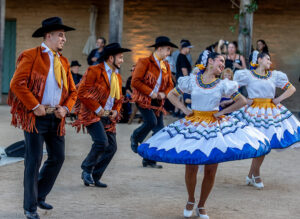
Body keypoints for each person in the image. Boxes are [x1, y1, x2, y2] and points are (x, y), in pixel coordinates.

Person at [137, 50, 271, 218]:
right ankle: (191, 199)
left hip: (214, 127)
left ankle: (201, 205)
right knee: (191, 165)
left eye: (224, 62)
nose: (223, 65)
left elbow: (242, 101)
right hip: (193, 124)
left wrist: (223, 112)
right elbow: (172, 95)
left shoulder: (223, 84)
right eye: (220, 61)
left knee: (211, 168)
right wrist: (185, 109)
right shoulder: (192, 81)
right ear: (210, 62)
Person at [8, 17, 77, 219]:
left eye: (64, 35)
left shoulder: (63, 61)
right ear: (49, 36)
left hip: (57, 117)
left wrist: (66, 108)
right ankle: (30, 207)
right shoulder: (30, 56)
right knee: (34, 160)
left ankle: (39, 195)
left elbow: (73, 91)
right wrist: (35, 106)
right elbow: (17, 83)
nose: (64, 39)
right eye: (61, 35)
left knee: (58, 157)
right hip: (35, 117)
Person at [233, 52, 300, 189]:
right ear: (259, 59)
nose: (270, 61)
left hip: (270, 112)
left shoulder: (274, 76)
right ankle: (255, 174)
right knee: (259, 143)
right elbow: (232, 88)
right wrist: (245, 100)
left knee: (265, 142)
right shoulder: (248, 75)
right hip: (253, 112)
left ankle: (252, 174)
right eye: (267, 59)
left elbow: (291, 88)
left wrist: (278, 99)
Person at [73, 43, 131, 188]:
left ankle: (95, 176)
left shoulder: (117, 77)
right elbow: (82, 92)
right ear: (111, 58)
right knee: (101, 142)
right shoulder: (94, 70)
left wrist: (116, 110)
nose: (122, 60)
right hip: (91, 113)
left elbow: (118, 99)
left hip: (108, 116)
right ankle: (86, 169)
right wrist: (98, 108)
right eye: (120, 57)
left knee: (112, 147)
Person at [130, 36, 176, 168]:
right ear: (159, 49)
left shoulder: (165, 65)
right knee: (151, 122)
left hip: (157, 102)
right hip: (143, 98)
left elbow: (170, 85)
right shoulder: (144, 62)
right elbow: (135, 81)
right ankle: (135, 136)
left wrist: (163, 94)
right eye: (167, 50)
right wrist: (152, 93)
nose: (169, 53)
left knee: (159, 130)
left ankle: (148, 159)